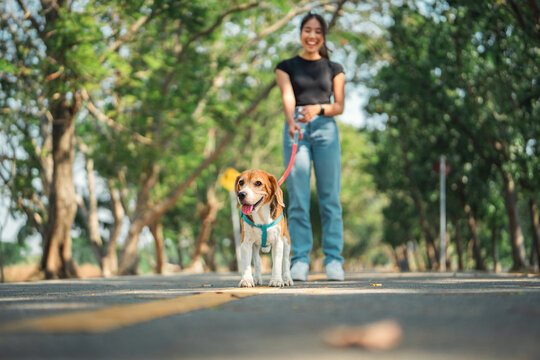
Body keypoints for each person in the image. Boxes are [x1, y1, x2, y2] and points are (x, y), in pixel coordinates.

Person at [275, 12, 346, 281]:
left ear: (323, 36)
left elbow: (339, 106)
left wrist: (319, 109)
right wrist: (291, 121)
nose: (312, 36)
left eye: (317, 31)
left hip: (326, 128)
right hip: (297, 131)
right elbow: (287, 95)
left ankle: (334, 261)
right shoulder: (285, 66)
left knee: (330, 198)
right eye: (307, 30)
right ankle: (300, 260)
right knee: (298, 199)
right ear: (300, 33)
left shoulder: (334, 68)